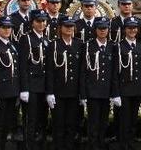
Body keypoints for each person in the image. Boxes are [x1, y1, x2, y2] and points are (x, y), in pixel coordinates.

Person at [46, 15, 84, 150]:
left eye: (71, 26)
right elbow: (50, 70)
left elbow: (82, 71)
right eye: (66, 26)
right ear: (60, 28)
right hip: (58, 92)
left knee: (71, 125)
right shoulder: (53, 45)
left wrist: (82, 93)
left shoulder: (79, 44)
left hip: (74, 93)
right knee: (58, 126)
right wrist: (49, 92)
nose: (69, 28)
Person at [81, 16, 116, 150]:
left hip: (106, 91)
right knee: (93, 121)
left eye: (105, 28)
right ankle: (93, 144)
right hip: (92, 90)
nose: (102, 31)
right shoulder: (88, 46)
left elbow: (114, 72)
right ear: (95, 30)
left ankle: (101, 142)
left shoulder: (112, 46)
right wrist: (83, 93)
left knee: (104, 121)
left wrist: (114, 92)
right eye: (100, 28)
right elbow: (83, 71)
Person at [0, 15, 21, 150]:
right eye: (4, 27)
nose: (7, 30)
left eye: (9, 27)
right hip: (0, 94)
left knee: (7, 126)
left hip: (12, 93)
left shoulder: (12, 45)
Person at [18, 9, 50, 150]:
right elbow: (23, 66)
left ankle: (40, 146)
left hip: (43, 87)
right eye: (38, 21)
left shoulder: (46, 40)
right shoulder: (26, 39)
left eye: (44, 21)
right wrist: (24, 88)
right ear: (32, 23)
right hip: (31, 87)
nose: (41, 23)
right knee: (31, 121)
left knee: (42, 121)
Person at [114, 17, 141, 150]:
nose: (132, 30)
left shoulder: (140, 46)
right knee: (124, 119)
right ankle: (123, 143)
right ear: (124, 30)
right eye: (129, 28)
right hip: (124, 89)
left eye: (134, 28)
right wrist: (115, 93)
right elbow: (115, 72)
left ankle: (131, 142)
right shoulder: (119, 46)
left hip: (137, 89)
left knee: (133, 118)